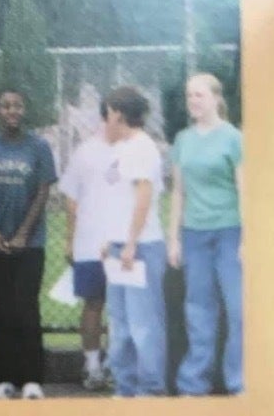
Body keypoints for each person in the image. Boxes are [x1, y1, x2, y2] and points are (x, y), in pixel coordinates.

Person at [0, 89, 57, 400]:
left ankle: (31, 378)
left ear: (25, 109)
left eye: (17, 105)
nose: (12, 111)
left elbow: (43, 193)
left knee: (25, 309)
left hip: (29, 245)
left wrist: (23, 233)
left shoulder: (39, 147)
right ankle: (3, 378)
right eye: (6, 105)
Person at [168, 73, 243, 395]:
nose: (192, 101)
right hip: (194, 236)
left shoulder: (233, 138)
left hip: (229, 232)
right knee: (198, 310)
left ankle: (240, 383)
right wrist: (174, 238)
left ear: (216, 98)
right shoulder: (183, 140)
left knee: (239, 309)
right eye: (188, 96)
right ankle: (193, 383)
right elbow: (178, 193)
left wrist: (248, 240)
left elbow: (245, 191)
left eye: (198, 95)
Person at [100, 86, 167, 397]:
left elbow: (143, 197)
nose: (107, 116)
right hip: (118, 247)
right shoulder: (119, 148)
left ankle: (150, 390)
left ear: (120, 113)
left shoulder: (143, 147)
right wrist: (107, 238)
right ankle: (124, 387)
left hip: (140, 247)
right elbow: (115, 197)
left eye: (110, 110)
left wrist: (129, 243)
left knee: (143, 324)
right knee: (121, 323)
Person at [59, 119, 116, 390]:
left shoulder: (132, 149)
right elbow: (71, 200)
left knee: (121, 308)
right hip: (89, 244)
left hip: (121, 244)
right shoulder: (84, 152)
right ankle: (92, 365)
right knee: (93, 304)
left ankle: (116, 364)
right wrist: (69, 240)